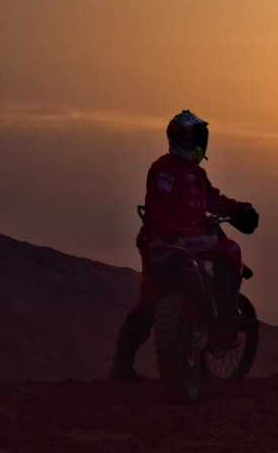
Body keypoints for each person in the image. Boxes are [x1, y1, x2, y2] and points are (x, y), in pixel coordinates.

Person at [109, 110, 259, 382]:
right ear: (178, 138)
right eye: (194, 137)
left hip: (167, 241)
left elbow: (212, 200)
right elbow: (158, 205)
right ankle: (226, 321)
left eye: (200, 137)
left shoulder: (194, 172)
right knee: (230, 250)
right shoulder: (166, 168)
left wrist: (239, 209)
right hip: (169, 239)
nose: (198, 143)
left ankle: (122, 365)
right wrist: (174, 231)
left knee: (150, 301)